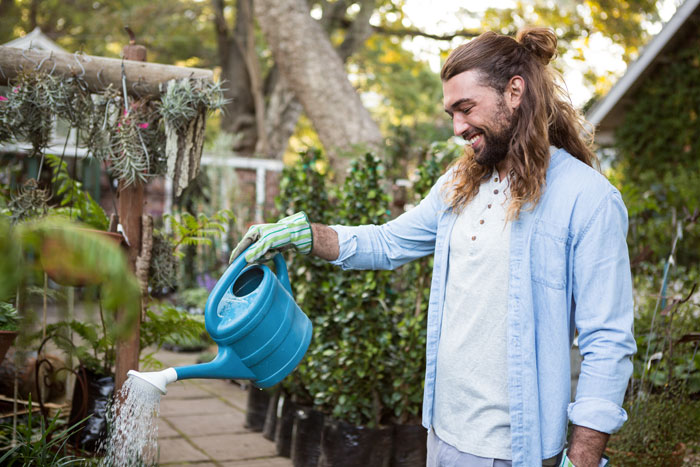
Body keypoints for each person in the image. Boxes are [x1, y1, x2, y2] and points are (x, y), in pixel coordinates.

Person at [231, 28, 636, 467]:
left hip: (512, 449)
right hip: (441, 432)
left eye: (466, 108)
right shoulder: (460, 184)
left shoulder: (587, 199)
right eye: (451, 113)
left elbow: (608, 341)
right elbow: (388, 242)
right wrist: (307, 234)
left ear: (514, 92)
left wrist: (582, 460)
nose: (458, 128)